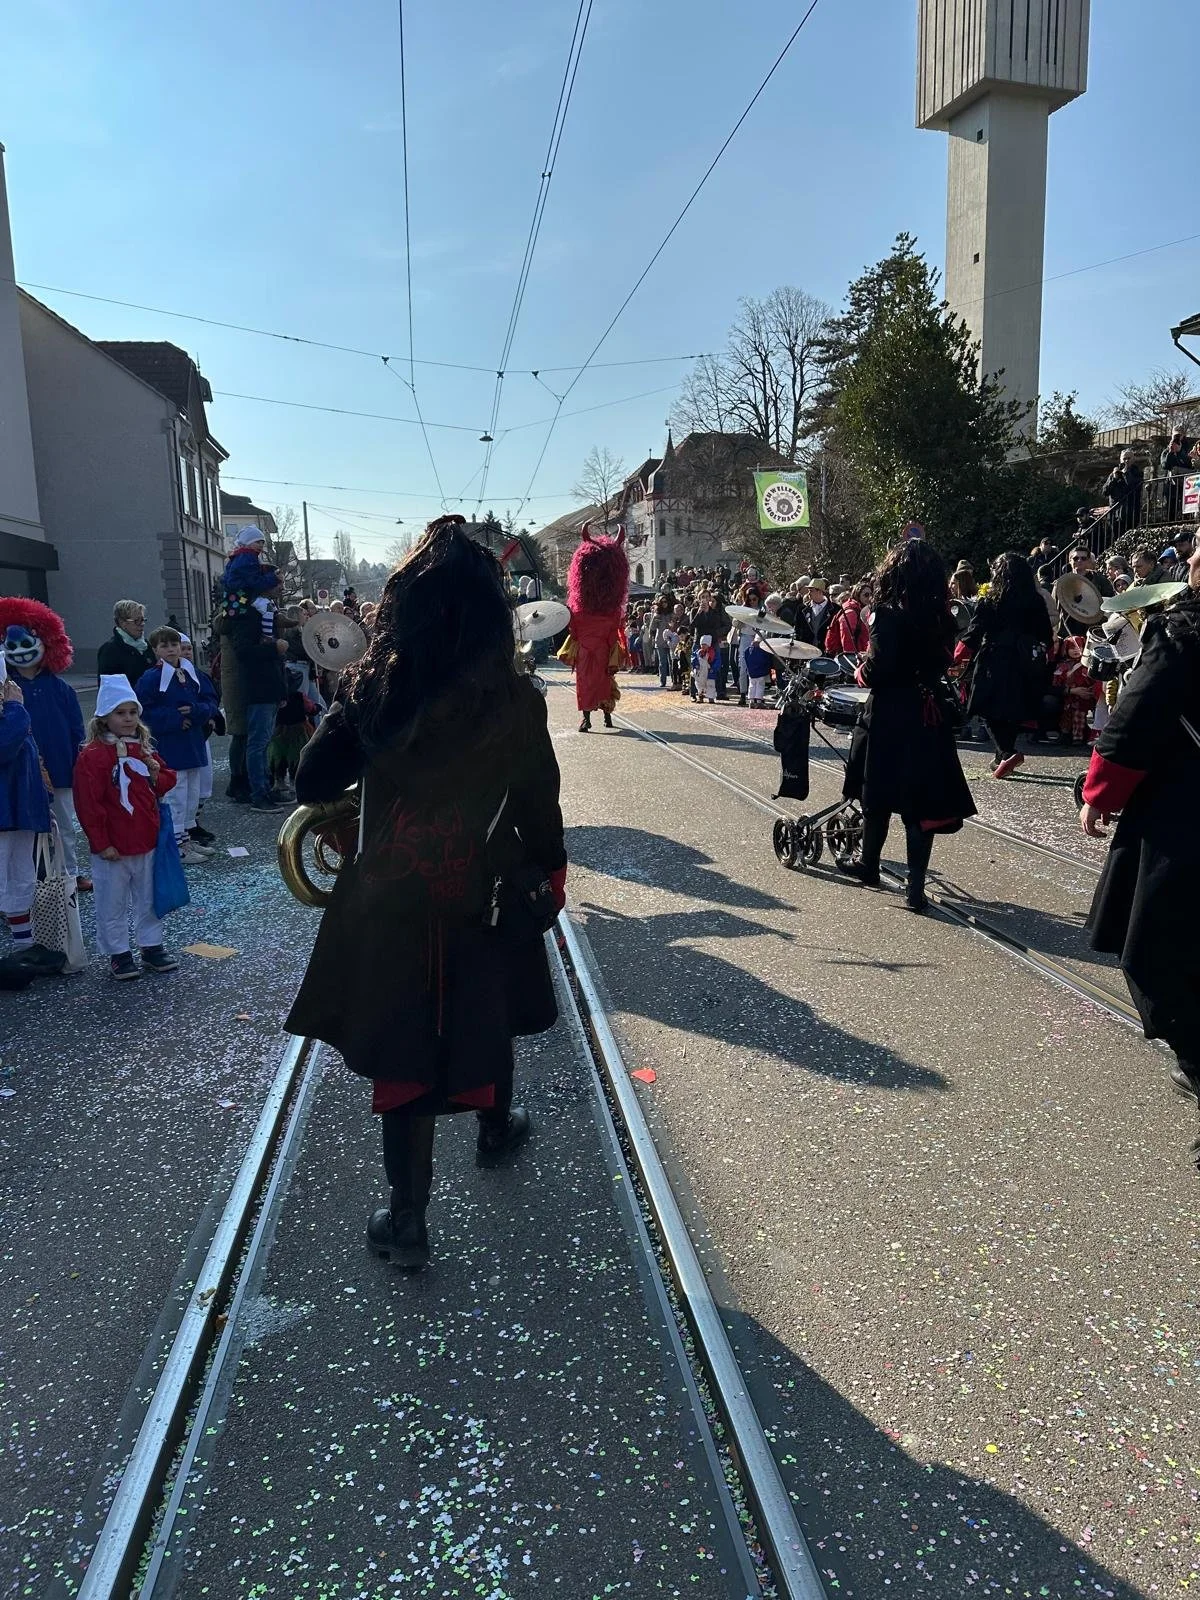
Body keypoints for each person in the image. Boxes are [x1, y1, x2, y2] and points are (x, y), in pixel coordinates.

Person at [285, 517, 567, 1270]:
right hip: (484, 884)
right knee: (487, 1007)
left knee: (404, 1048)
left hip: (392, 897)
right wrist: (550, 871)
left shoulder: (374, 690)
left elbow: (311, 782)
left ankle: (407, 1217)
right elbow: (539, 800)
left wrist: (345, 706)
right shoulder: (516, 698)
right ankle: (495, 1130)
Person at [1081, 543, 1200, 1165]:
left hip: (1186, 811)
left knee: (1156, 954)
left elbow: (1136, 718)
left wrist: (1098, 795)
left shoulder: (1183, 634)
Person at [840, 541, 975, 911]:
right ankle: (915, 889)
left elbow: (878, 668)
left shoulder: (886, 613)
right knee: (920, 805)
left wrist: (860, 671)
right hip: (928, 712)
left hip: (890, 712)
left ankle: (869, 864)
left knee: (876, 794)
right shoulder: (942, 615)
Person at [73, 676, 179, 979]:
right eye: (120, 713)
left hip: (146, 839)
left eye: (133, 712)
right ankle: (118, 952)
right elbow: (88, 803)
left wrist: (156, 773)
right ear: (104, 717)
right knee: (112, 901)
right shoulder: (93, 756)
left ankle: (151, 944)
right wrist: (101, 842)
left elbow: (165, 781)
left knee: (148, 897)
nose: (128, 719)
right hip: (114, 845)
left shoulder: (142, 749)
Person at [0, 598, 88, 890]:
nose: (20, 651)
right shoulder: (6, 690)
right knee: (28, 828)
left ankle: (69, 874)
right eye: (11, 645)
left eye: (26, 643)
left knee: (64, 825)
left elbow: (76, 730)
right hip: (22, 770)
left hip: (60, 768)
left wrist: (77, 763)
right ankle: (34, 879)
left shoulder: (61, 688)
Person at [956, 552, 1054, 777]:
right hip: (1025, 661)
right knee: (1012, 709)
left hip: (995, 658)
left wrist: (957, 654)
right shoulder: (1035, 600)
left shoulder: (991, 599)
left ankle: (1007, 752)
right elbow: (1046, 636)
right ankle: (1001, 758)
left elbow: (975, 631)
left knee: (985, 707)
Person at [0, 654, 62, 973]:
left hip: (19, 810)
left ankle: (23, 948)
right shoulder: (14, 712)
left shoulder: (11, 713)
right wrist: (15, 707)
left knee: (21, 878)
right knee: (4, 878)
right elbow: (5, 746)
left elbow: (30, 758)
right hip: (3, 814)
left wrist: (42, 802)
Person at [136, 627, 219, 864]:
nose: (171, 650)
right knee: (176, 794)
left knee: (192, 793)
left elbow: (210, 700)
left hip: (193, 742)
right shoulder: (151, 678)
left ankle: (186, 837)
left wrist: (197, 711)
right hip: (170, 746)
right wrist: (175, 719)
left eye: (174, 645)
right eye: (164, 646)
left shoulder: (192, 674)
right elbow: (143, 710)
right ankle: (175, 843)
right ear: (155, 650)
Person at [222, 576, 290, 810]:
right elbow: (244, 651)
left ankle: (265, 789)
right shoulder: (248, 614)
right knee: (257, 744)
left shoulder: (267, 612)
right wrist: (274, 647)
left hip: (270, 687)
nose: (281, 587)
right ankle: (258, 793)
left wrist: (282, 691)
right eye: (277, 582)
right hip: (258, 688)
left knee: (263, 742)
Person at [558, 525, 629, 733]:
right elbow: (612, 636)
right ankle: (606, 716)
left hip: (585, 653)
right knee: (604, 683)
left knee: (585, 685)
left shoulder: (578, 613)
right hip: (602, 653)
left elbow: (574, 632)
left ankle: (586, 719)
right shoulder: (612, 613)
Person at [178, 634, 219, 846]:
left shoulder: (197, 675)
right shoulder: (161, 677)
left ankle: (192, 823)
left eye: (188, 648)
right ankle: (181, 833)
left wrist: (204, 713)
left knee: (202, 782)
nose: (186, 653)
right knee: (180, 788)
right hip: (176, 739)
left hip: (199, 735)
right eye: (182, 648)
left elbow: (211, 699)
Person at [97, 600, 155, 685]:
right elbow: (108, 685)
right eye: (136, 621)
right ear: (122, 623)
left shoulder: (147, 646)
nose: (142, 624)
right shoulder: (110, 650)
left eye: (143, 620)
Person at [223, 526, 278, 598]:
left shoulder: (237, 556)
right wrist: (274, 577)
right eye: (257, 542)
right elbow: (255, 582)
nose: (261, 545)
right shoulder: (248, 558)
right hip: (244, 597)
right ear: (247, 543)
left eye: (262, 542)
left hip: (234, 596)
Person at [1102, 450, 1144, 536]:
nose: (1126, 461)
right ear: (1121, 460)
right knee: (1116, 537)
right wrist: (1114, 479)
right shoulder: (1114, 474)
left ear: (1133, 459)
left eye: (1129, 458)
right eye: (1124, 459)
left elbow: (1131, 485)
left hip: (1130, 513)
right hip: (1115, 513)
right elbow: (1105, 492)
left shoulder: (1137, 472)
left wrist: (1126, 472)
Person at [825, 582, 871, 655]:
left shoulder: (863, 610)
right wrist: (851, 657)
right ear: (857, 595)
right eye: (866, 595)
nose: (869, 598)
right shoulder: (850, 612)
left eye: (871, 595)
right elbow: (847, 638)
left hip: (862, 653)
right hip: (852, 656)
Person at [1161, 430, 1193, 523]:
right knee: (1171, 510)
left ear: (1183, 436)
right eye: (1175, 436)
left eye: (1179, 435)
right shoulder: (1166, 451)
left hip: (1186, 486)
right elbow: (1165, 465)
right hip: (1171, 485)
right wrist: (1171, 452)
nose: (1177, 438)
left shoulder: (1187, 450)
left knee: (1186, 510)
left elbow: (1190, 465)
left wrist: (1180, 452)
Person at [744, 633, 772, 709]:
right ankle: (759, 701)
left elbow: (745, 655)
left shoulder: (749, 649)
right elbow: (767, 660)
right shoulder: (764, 650)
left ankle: (751, 701)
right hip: (761, 671)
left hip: (751, 672)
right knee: (760, 686)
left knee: (751, 685)